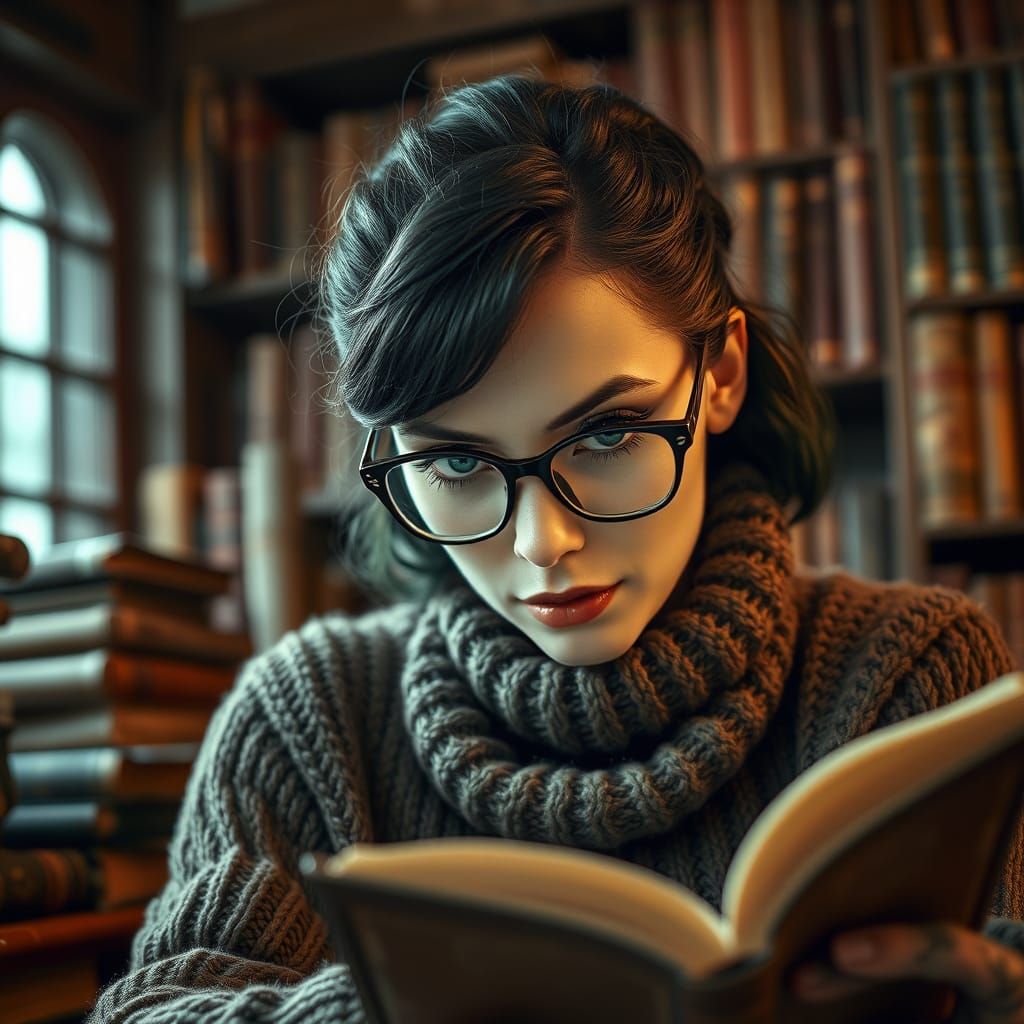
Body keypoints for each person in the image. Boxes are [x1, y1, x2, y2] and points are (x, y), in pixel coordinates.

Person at [89, 74, 1023, 1022]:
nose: (543, 543)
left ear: (722, 374)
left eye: (609, 435)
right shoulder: (305, 723)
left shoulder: (910, 675)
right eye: (455, 464)